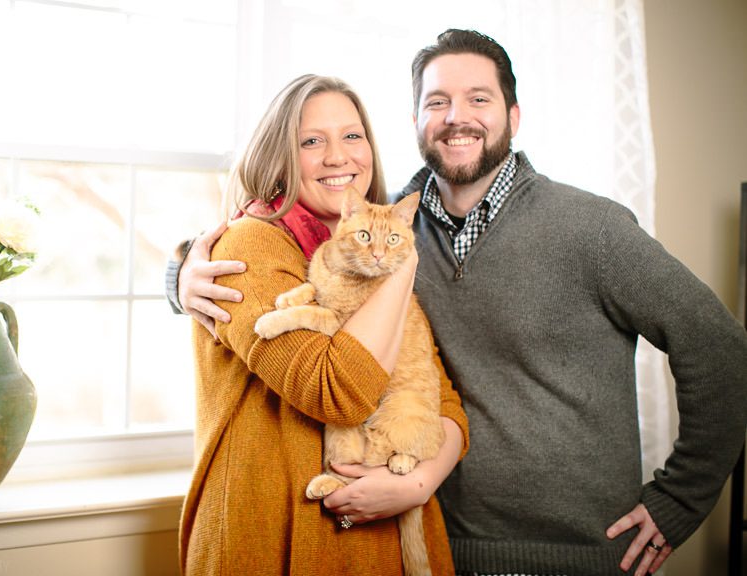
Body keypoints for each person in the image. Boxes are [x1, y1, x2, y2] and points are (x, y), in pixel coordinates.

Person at [168, 30, 747, 576]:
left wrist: (679, 498)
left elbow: (720, 347)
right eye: (437, 101)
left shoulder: (590, 228)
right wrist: (180, 275)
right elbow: (268, 254)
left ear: (513, 117)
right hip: (433, 542)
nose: (456, 117)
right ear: (415, 121)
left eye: (478, 98)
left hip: (576, 554)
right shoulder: (384, 230)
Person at [178, 73, 469, 576]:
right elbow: (339, 391)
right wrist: (403, 261)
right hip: (273, 536)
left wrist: (417, 484)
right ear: (279, 157)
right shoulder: (252, 243)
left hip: (384, 541)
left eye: (352, 136)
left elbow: (442, 402)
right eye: (312, 141)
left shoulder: (368, 249)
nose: (339, 156)